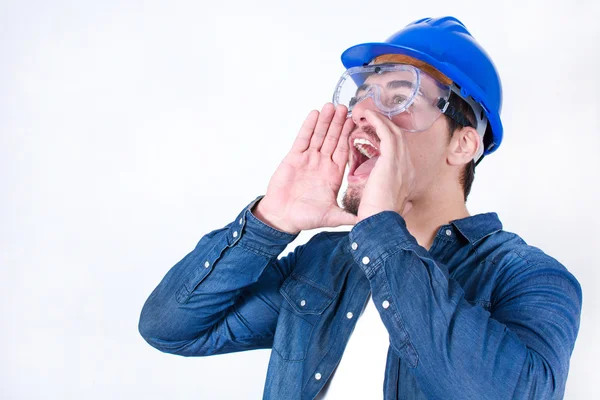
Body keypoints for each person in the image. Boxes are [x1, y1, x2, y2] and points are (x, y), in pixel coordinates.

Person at [138, 16, 582, 399]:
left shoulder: (530, 277)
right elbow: (171, 327)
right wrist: (270, 221)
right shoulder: (323, 261)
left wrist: (382, 232)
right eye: (363, 96)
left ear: (463, 143)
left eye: (400, 97)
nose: (364, 115)